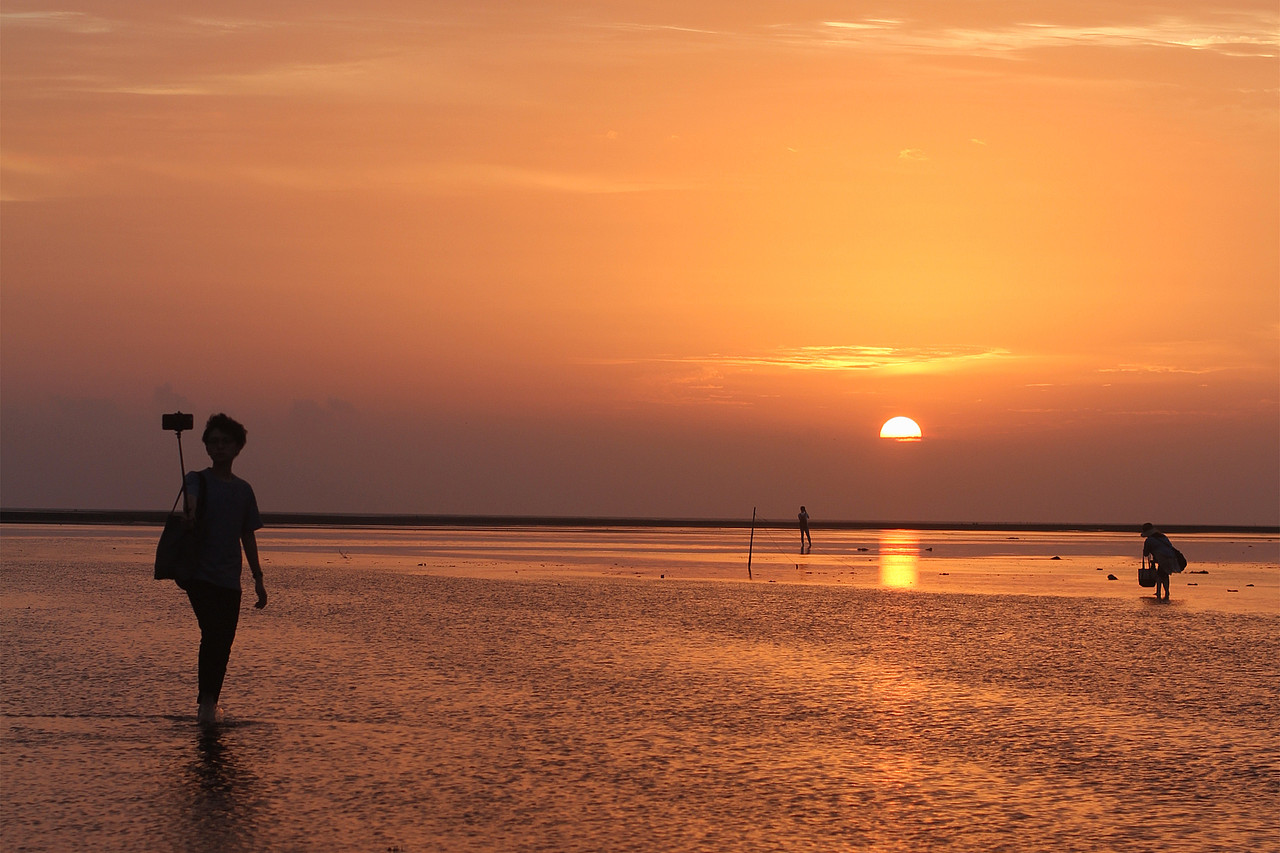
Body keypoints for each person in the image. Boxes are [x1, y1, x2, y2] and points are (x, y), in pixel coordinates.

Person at [182, 413, 267, 724]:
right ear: (206, 447)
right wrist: (189, 515)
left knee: (224, 642)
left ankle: (210, 703)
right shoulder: (196, 479)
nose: (218, 447)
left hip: (230, 579)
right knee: (212, 635)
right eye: (213, 442)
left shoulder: (244, 491)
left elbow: (247, 534)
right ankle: (205, 706)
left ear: (237, 448)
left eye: (225, 442)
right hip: (198, 575)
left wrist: (258, 579)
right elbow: (190, 502)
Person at [1141, 522, 1178, 602]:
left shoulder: (1149, 540)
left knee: (1159, 576)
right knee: (1164, 575)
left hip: (1163, 559)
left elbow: (1146, 554)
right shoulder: (1163, 537)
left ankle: (1159, 593)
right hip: (1171, 557)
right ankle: (1166, 593)